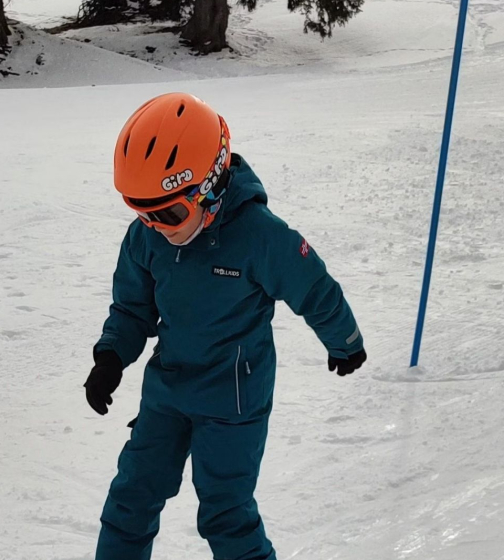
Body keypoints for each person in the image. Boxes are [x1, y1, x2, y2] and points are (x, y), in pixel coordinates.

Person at [84, 92, 367, 560]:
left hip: (233, 401)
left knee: (226, 514)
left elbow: (313, 287)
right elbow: (132, 309)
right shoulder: (148, 238)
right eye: (141, 211)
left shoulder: (260, 235)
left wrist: (345, 341)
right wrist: (110, 357)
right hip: (169, 391)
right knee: (130, 499)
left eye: (168, 213)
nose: (154, 225)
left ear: (210, 186)